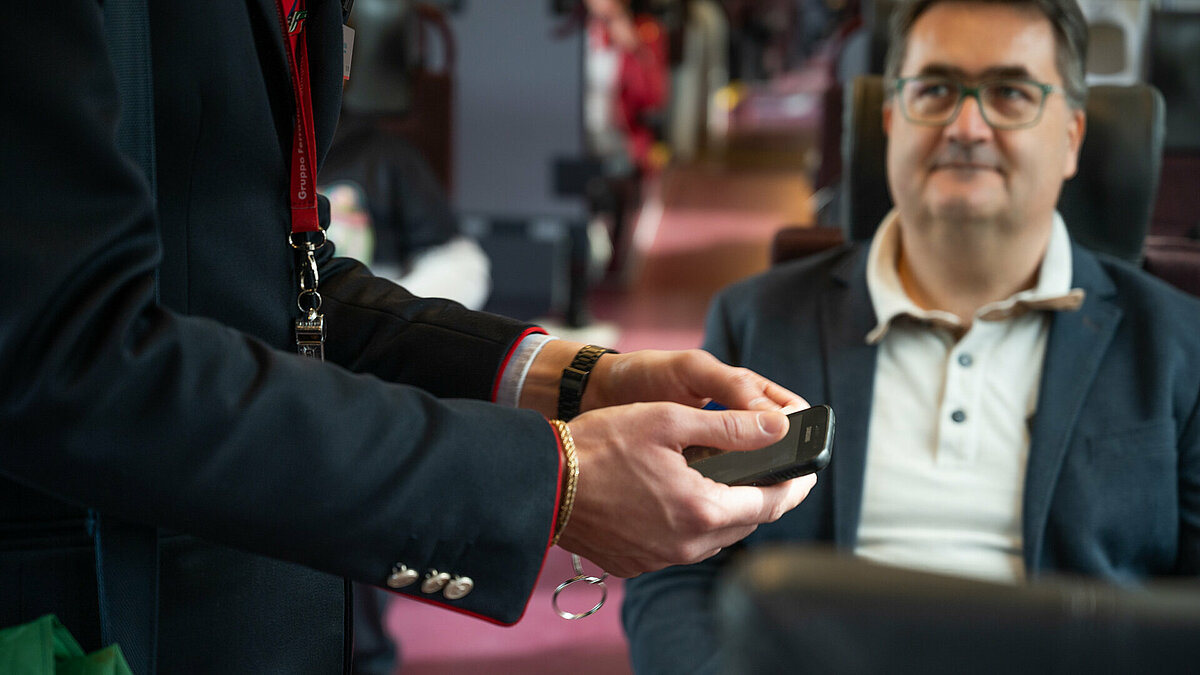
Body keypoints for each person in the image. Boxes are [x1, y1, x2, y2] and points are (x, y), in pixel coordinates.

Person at [0, 2, 819, 673]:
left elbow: (278, 281)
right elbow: (72, 350)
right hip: (86, 606)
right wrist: (551, 478)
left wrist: (574, 380)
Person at [622, 0, 1200, 672]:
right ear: (890, 117)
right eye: (935, 90)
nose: (967, 126)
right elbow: (678, 569)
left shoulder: (1178, 346)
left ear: (1072, 134)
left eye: (1010, 93)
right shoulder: (759, 322)